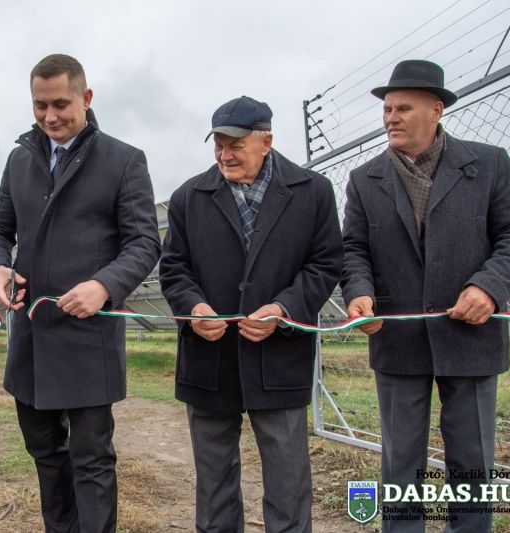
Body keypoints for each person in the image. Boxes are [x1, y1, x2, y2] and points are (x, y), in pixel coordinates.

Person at [341, 59, 510, 531]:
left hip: (471, 334)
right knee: (401, 459)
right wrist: (359, 293)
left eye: (403, 108)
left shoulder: (489, 164)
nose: (391, 118)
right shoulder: (364, 179)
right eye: (387, 109)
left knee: (472, 459)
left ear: (437, 110)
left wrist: (489, 286)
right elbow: (353, 248)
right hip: (397, 337)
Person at [0, 54, 160, 532]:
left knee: (92, 458)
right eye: (40, 105)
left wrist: (104, 285)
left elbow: (145, 242)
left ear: (86, 97)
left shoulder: (123, 160)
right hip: (31, 339)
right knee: (44, 451)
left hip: (88, 338)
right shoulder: (20, 159)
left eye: (61, 104)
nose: (50, 116)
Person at [159, 96, 343, 533]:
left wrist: (283, 309)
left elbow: (325, 264)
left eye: (236, 145)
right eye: (219, 145)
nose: (225, 155)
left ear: (267, 142)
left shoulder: (313, 192)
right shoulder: (188, 197)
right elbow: (174, 268)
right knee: (214, 481)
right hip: (209, 356)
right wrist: (193, 308)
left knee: (287, 479)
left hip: (280, 355)